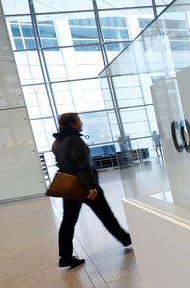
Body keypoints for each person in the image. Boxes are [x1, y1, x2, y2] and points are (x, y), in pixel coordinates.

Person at [52, 113, 132, 268]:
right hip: (85, 186)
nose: (81, 124)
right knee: (106, 215)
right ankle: (125, 239)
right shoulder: (74, 140)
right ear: (72, 124)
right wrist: (91, 187)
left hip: (70, 187)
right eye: (79, 121)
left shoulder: (58, 142)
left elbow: (61, 163)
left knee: (68, 221)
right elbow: (83, 165)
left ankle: (65, 257)